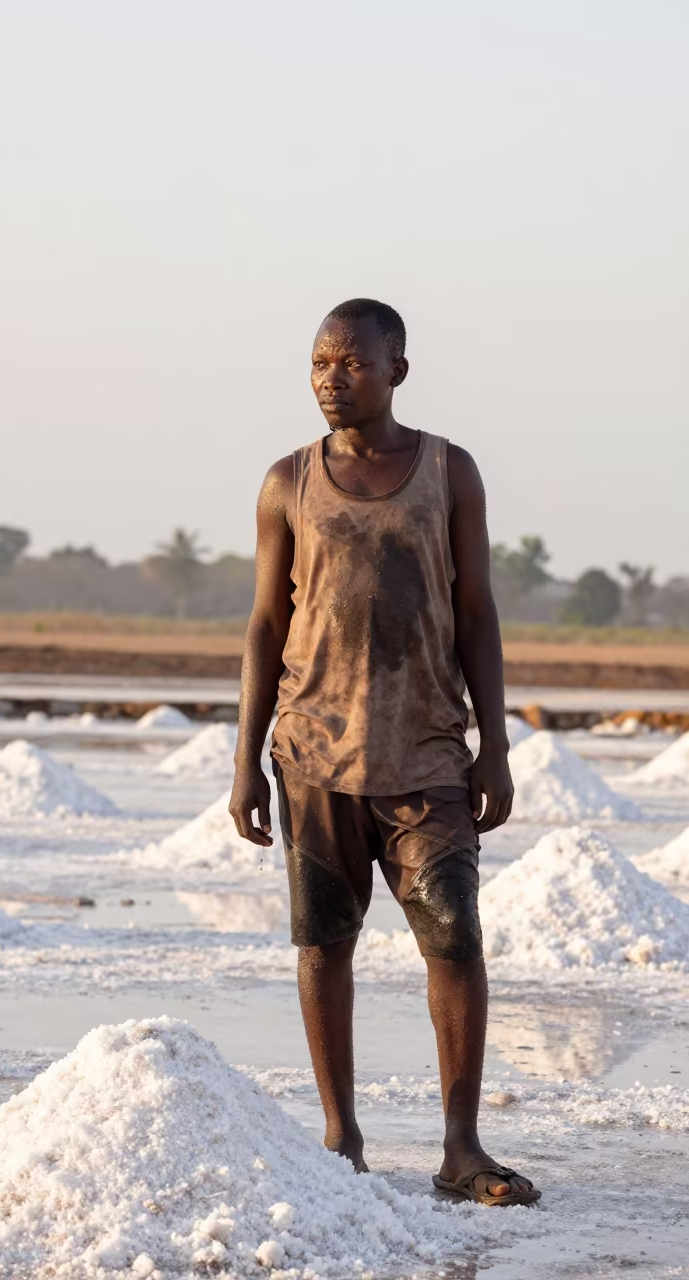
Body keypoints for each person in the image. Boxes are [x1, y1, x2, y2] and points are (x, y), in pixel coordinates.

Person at [229, 298, 540, 1206]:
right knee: (324, 945)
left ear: (397, 371)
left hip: (431, 752)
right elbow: (262, 625)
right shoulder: (288, 481)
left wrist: (495, 745)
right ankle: (341, 1140)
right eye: (321, 363)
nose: (333, 378)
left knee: (455, 939)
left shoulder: (451, 472)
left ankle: (461, 1148)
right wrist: (246, 760)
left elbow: (478, 613)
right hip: (316, 754)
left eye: (353, 363)